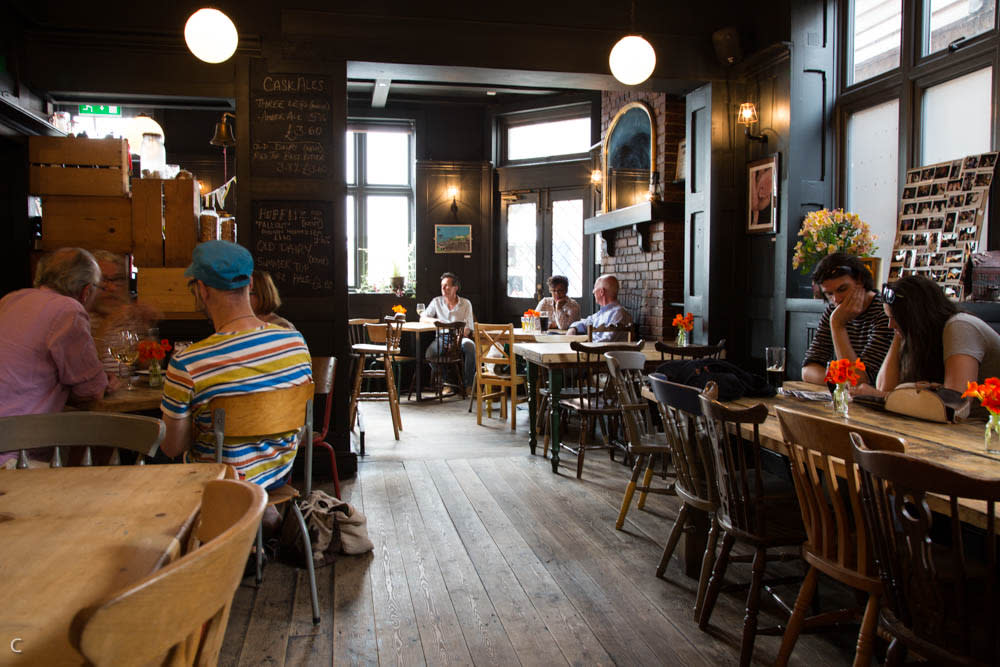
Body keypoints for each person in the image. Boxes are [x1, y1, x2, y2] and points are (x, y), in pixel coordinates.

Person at [159, 241, 312, 489]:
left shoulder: (187, 362)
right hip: (279, 476)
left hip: (218, 484)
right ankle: (263, 512)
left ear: (202, 290)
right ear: (250, 283)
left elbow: (173, 446)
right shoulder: (295, 341)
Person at [0, 248, 116, 418]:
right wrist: (106, 383)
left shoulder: (11, 299)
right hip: (18, 434)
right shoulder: (69, 310)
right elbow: (91, 391)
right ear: (86, 292)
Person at [869, 275, 1000, 394]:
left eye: (896, 318)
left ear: (916, 316)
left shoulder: (960, 326)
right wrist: (899, 333)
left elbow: (955, 404)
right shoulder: (918, 335)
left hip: (984, 419)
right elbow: (885, 389)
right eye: (889, 317)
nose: (890, 325)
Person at [801, 253, 894, 388]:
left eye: (842, 289)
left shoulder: (884, 313)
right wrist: (842, 379)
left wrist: (838, 325)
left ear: (860, 281)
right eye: (829, 294)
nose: (836, 300)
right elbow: (808, 370)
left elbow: (859, 381)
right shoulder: (833, 311)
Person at [89, 250, 159, 374]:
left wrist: (148, 330)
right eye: (103, 280)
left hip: (128, 390)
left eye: (117, 280)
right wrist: (110, 321)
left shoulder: (131, 317)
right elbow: (85, 365)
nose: (112, 288)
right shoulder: (79, 318)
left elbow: (151, 368)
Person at [420, 271, 476, 389]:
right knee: (429, 353)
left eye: (446, 286)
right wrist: (436, 322)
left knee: (471, 347)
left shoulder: (466, 303)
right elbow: (423, 318)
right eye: (442, 286)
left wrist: (456, 341)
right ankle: (446, 382)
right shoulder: (436, 301)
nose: (443, 288)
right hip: (441, 337)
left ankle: (469, 385)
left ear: (455, 288)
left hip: (460, 337)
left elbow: (468, 327)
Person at [567, 274, 633, 341]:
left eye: (595, 288)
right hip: (592, 349)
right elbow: (586, 321)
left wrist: (584, 342)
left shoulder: (618, 314)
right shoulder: (602, 312)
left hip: (603, 351)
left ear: (602, 292)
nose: (593, 292)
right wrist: (573, 328)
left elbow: (607, 342)